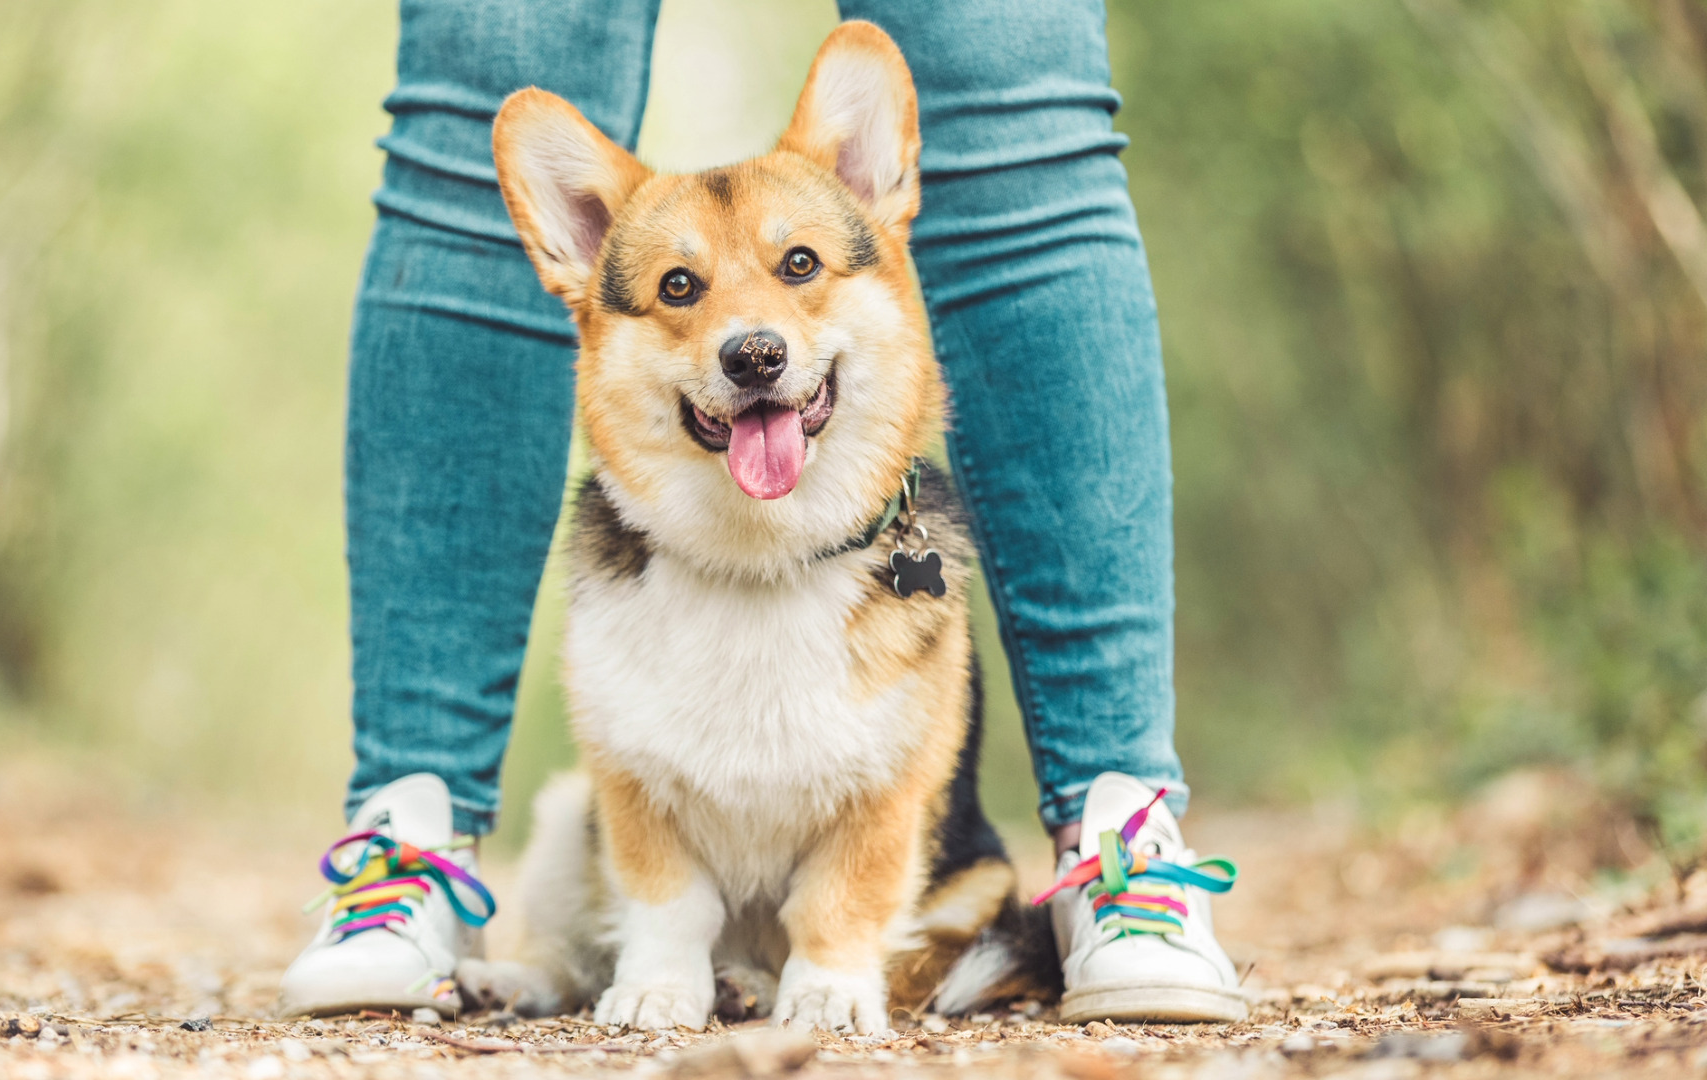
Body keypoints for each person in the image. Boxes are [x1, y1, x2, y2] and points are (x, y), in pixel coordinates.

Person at [278, 0, 1243, 1025]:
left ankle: (1118, 839)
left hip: (864, 624)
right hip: (668, 687)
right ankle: (413, 840)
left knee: (1021, 112)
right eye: (682, 286)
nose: (751, 334)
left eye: (798, 269)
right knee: (493, 63)